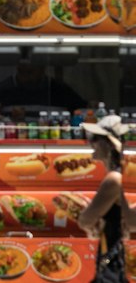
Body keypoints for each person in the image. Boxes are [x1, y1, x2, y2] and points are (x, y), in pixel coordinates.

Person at [78, 115, 130, 283]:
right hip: (119, 261)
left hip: (114, 263)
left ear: (106, 143)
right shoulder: (122, 173)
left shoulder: (113, 179)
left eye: (94, 138)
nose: (90, 143)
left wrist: (88, 217)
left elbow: (85, 220)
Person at [0, 60, 84, 111]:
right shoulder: (0, 91)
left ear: (42, 68)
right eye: (22, 72)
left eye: (30, 72)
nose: (26, 77)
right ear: (18, 67)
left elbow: (82, 110)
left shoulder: (61, 91)